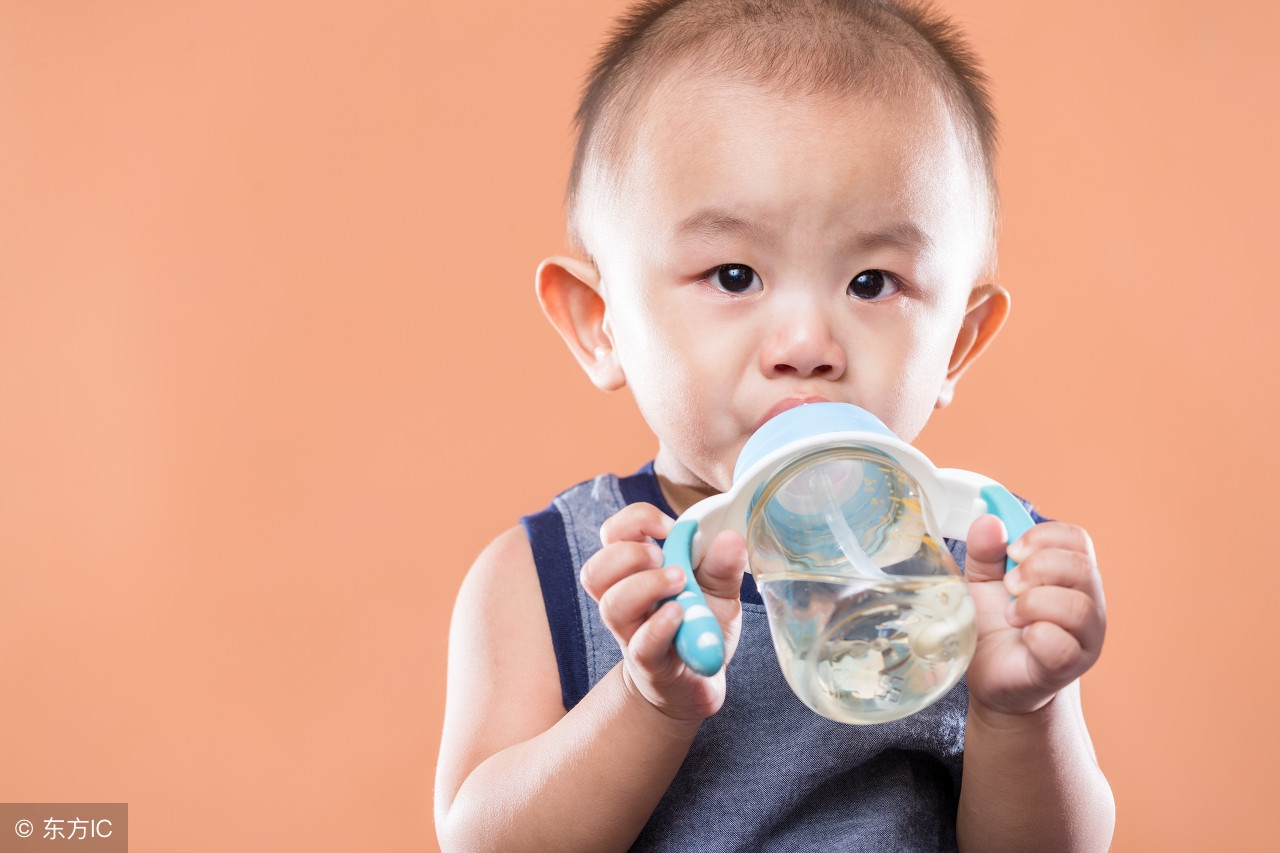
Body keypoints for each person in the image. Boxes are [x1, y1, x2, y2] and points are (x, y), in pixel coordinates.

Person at [434, 0, 1115, 849]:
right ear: (600, 323)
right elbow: (484, 840)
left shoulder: (985, 565)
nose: (806, 344)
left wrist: (1023, 708)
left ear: (958, 346)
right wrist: (646, 702)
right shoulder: (550, 574)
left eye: (871, 282)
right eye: (733, 273)